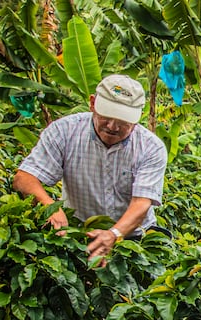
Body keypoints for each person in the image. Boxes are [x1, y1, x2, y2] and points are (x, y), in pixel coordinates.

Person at [14, 74, 168, 263]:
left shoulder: (151, 147)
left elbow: (141, 203)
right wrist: (49, 206)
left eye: (122, 121)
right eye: (107, 116)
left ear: (138, 117)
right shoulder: (64, 131)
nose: (113, 126)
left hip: (133, 239)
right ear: (93, 104)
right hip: (79, 235)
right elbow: (25, 177)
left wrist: (114, 234)